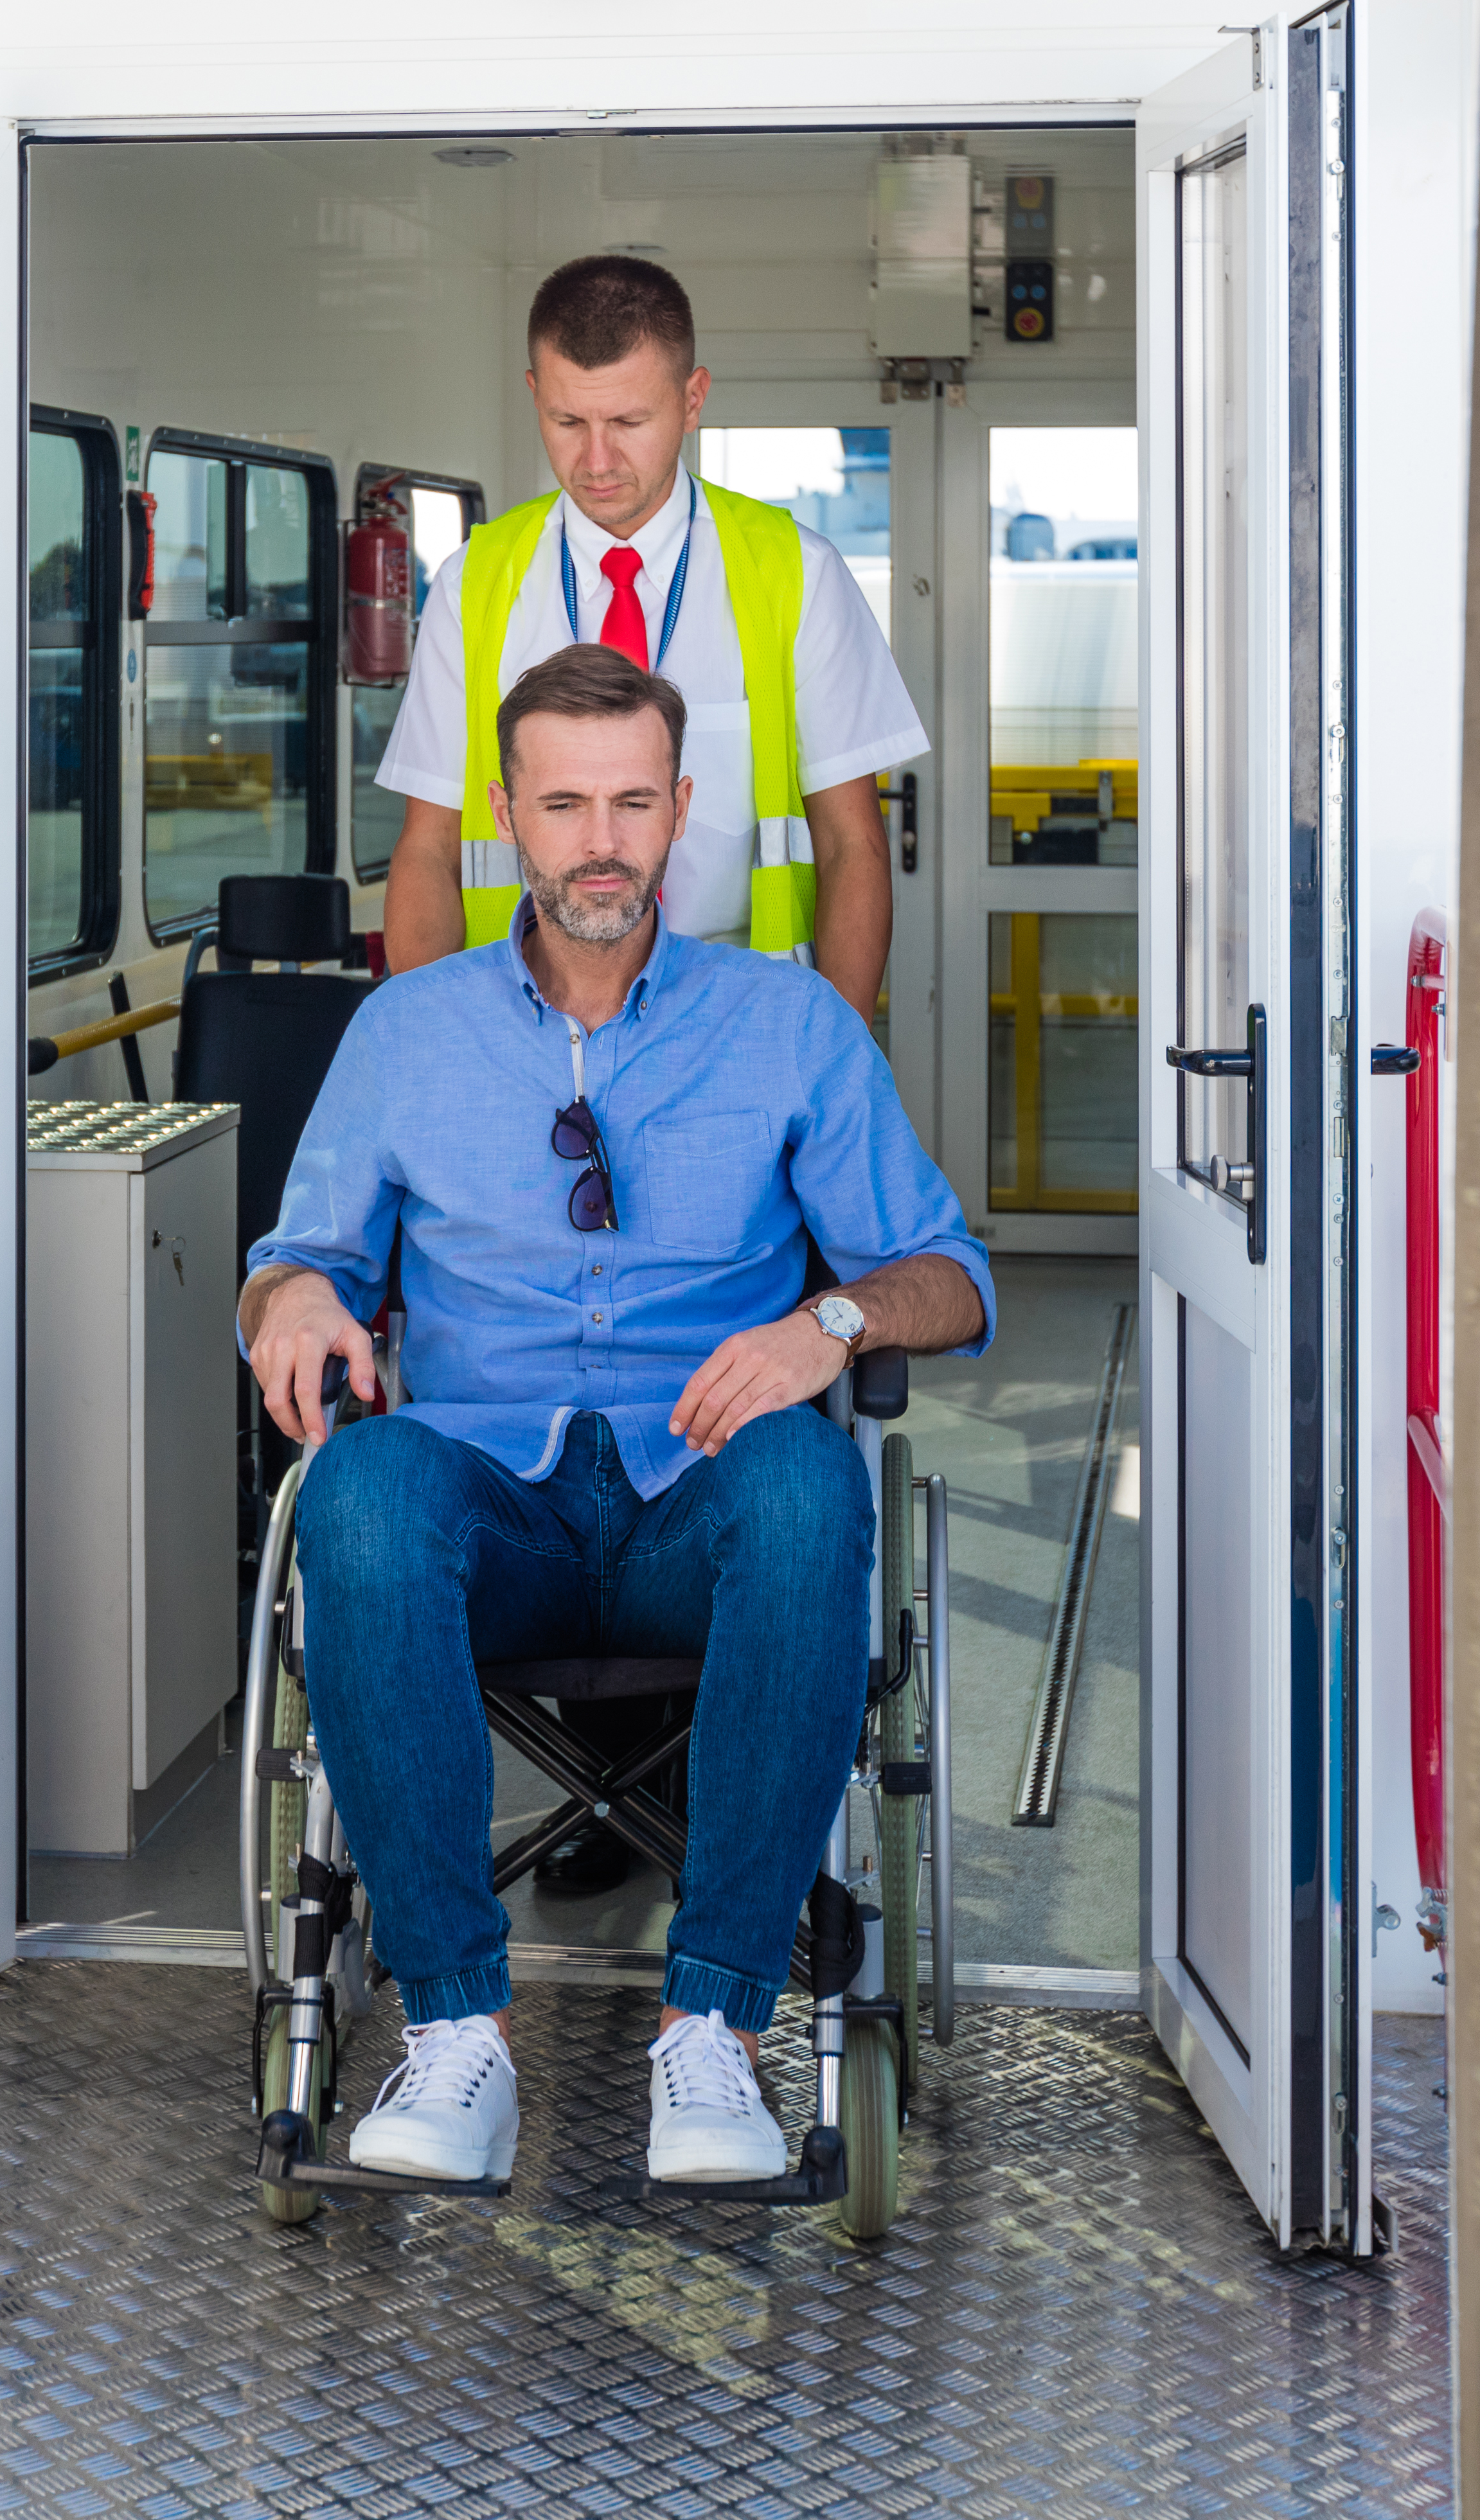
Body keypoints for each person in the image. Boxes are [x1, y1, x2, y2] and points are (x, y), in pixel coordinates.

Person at [238, 648, 992, 2185]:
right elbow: (290, 1264)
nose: (601, 838)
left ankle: (713, 2028)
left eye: (633, 801)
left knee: (804, 1483)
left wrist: (825, 1321)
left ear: (681, 812)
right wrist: (296, 1302)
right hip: (485, 1506)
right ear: (507, 812)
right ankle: (457, 2033)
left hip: (695, 1501)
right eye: (565, 801)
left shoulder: (786, 1026)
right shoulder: (405, 1030)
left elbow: (952, 1275)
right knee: (357, 1489)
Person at [370, 254, 931, 1895]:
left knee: (741, 1427)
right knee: (530, 1392)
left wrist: (806, 1064)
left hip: (736, 1086)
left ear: (691, 401)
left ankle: (710, 1791)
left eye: (623, 420)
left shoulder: (782, 572)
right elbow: (422, 851)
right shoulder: (476, 584)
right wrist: (429, 1067)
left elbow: (847, 847)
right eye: (562, 420)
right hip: (511, 1083)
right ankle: (610, 1793)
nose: (593, 455)